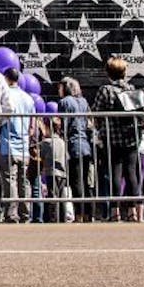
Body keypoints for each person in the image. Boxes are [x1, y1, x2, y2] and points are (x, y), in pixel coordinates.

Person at [93, 57, 144, 222]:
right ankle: (132, 211)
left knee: (114, 175)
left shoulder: (106, 90)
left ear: (108, 72)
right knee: (131, 173)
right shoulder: (131, 89)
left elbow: (96, 112)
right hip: (132, 138)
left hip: (112, 138)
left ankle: (115, 211)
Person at [0, 68, 31, 223]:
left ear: (6, 78)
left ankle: (11, 214)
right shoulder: (28, 98)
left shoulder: (5, 95)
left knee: (9, 180)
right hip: (24, 145)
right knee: (24, 181)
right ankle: (26, 213)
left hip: (7, 144)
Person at [57, 78, 92, 220]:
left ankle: (79, 213)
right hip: (85, 144)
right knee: (85, 181)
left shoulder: (64, 102)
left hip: (73, 144)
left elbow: (64, 125)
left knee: (76, 182)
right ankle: (89, 213)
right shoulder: (83, 101)